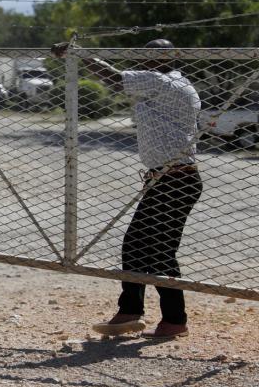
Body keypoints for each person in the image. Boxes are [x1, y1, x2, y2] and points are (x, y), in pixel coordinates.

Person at [51, 39, 202, 340]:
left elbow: (113, 77)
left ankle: (157, 316)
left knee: (148, 248)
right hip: (170, 178)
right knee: (148, 248)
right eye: (145, 53)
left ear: (168, 57)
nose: (147, 59)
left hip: (173, 179)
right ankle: (152, 315)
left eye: (153, 54)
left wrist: (79, 55)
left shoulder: (160, 80)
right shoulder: (181, 83)